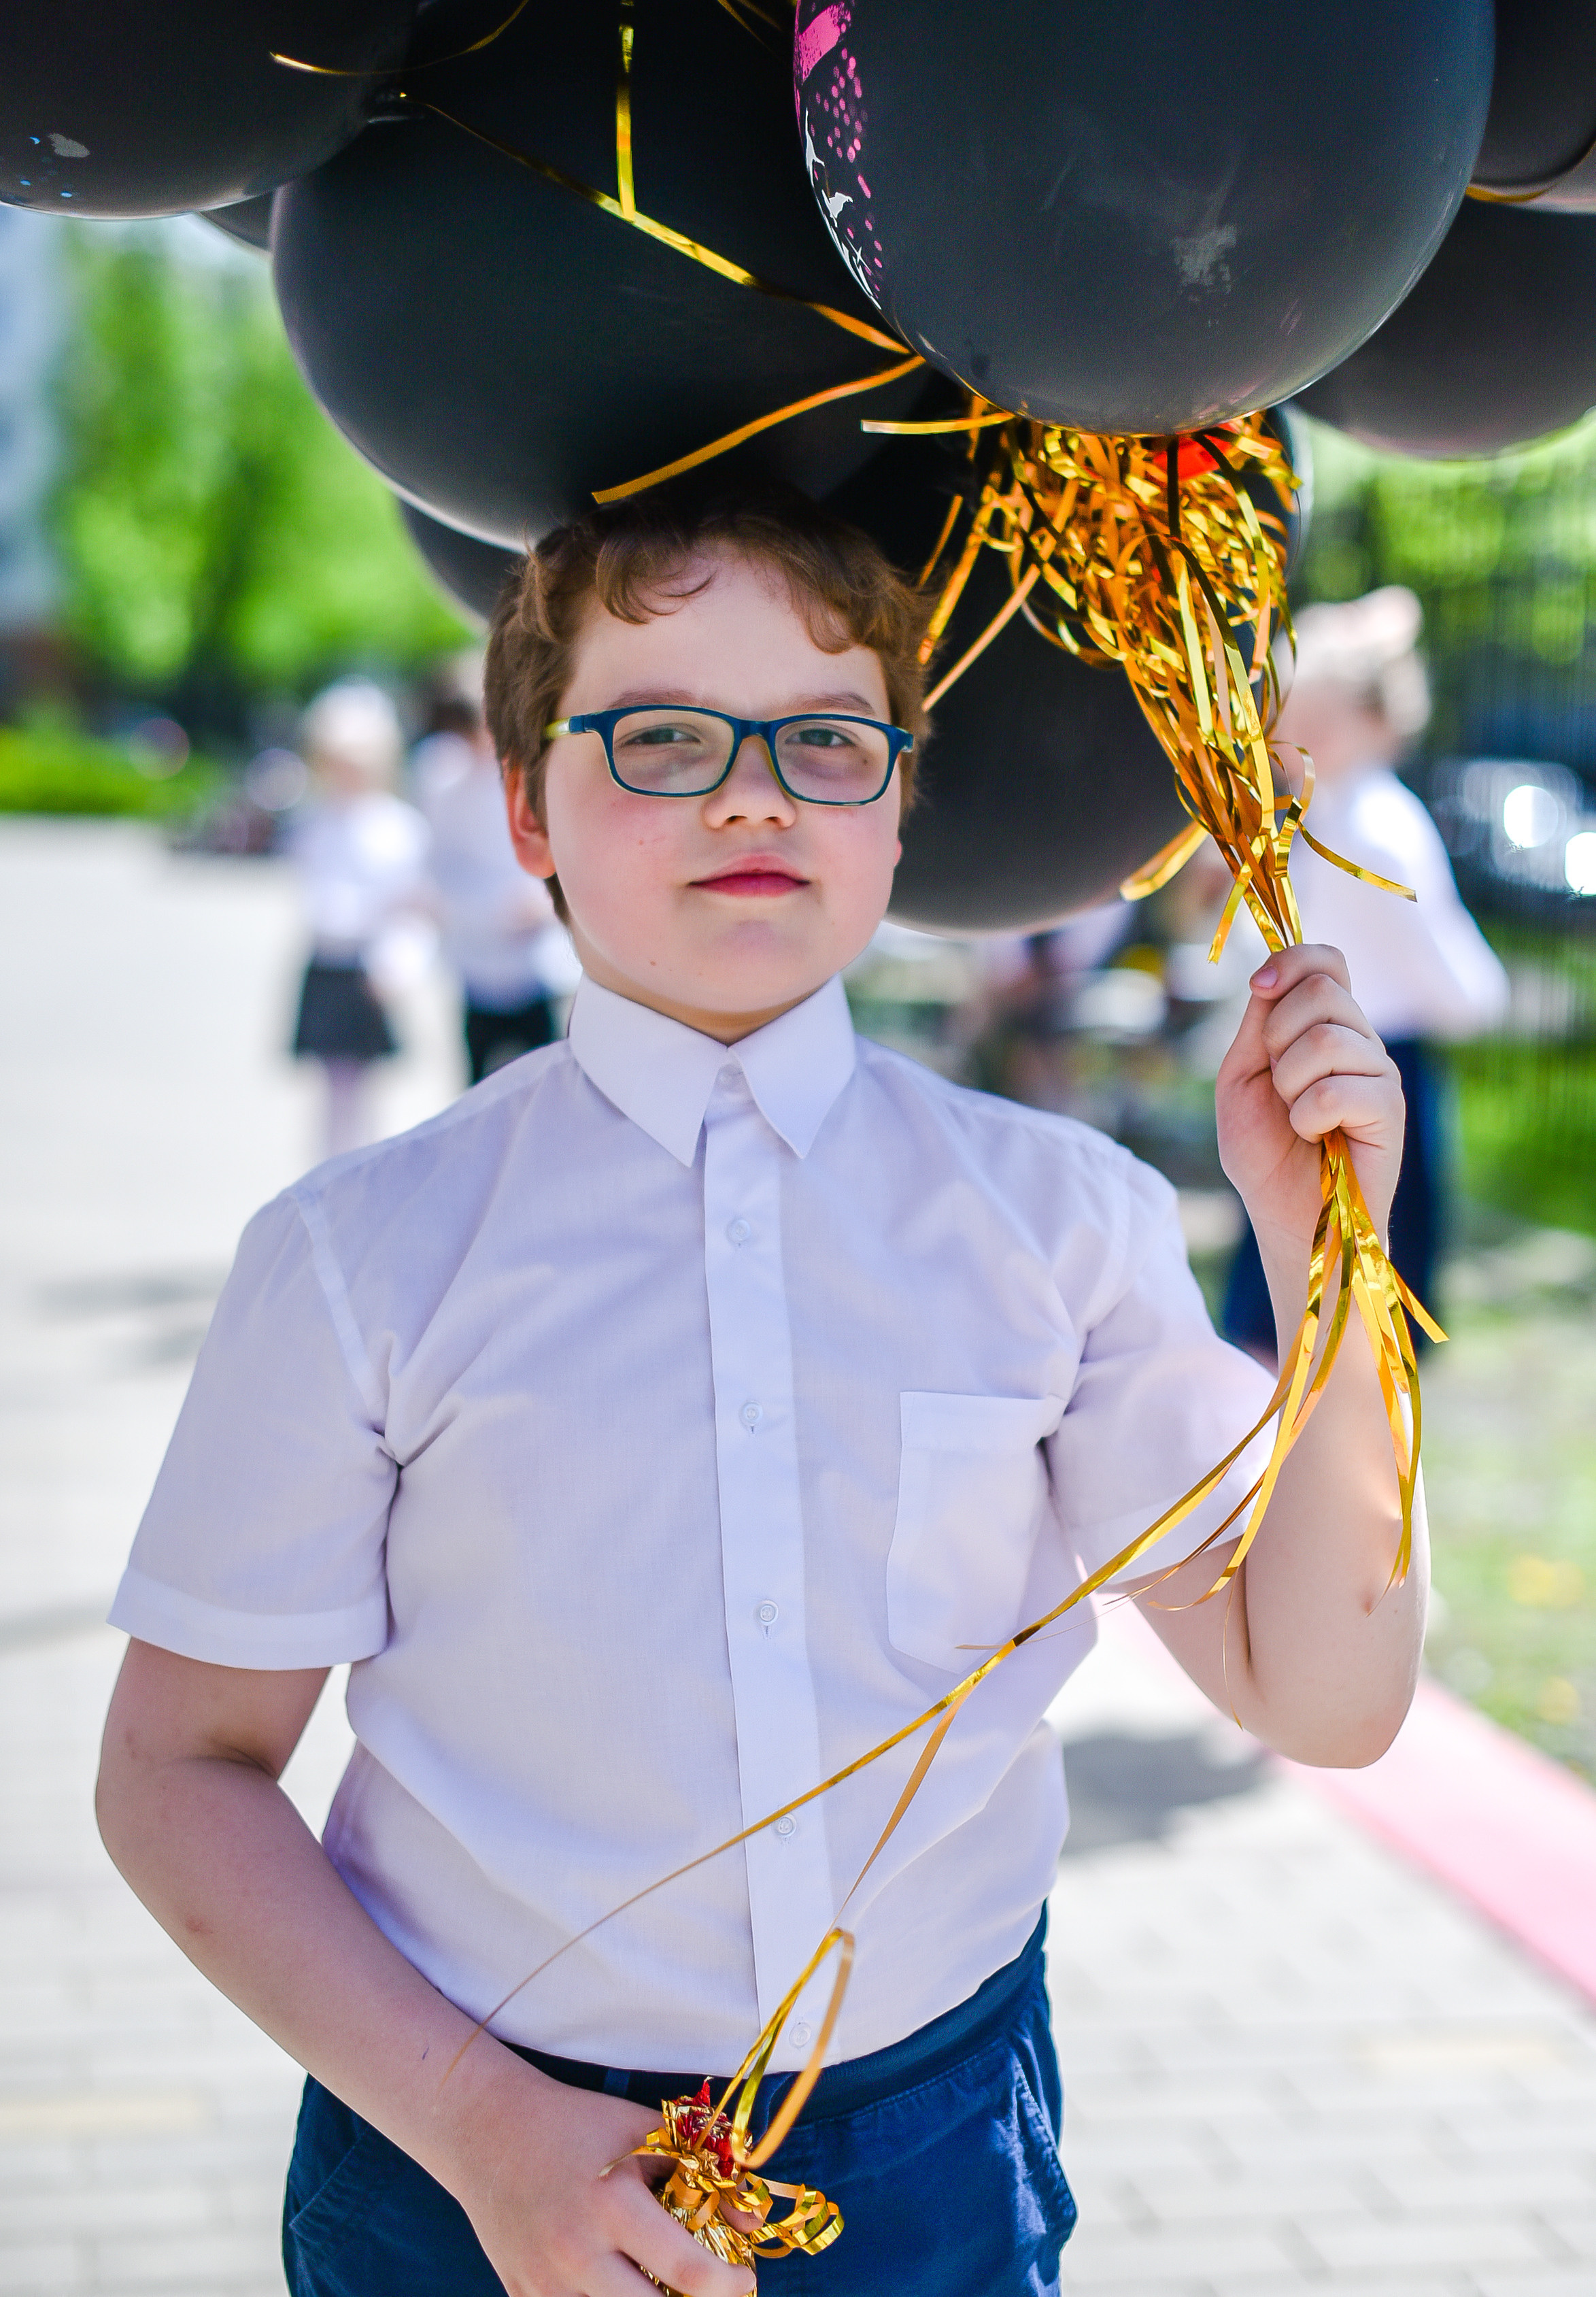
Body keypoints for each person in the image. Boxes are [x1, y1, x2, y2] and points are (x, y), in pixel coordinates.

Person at [97, 482, 1425, 2297]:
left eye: (824, 740)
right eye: (659, 736)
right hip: (459, 2141)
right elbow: (179, 1764)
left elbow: (1326, 1688)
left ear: (896, 809)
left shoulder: (1056, 1222)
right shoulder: (362, 1252)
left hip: (933, 2140)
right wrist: (482, 2121)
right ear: (521, 805)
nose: (751, 791)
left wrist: (1318, 1252)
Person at [1222, 586, 1508, 1360]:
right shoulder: (1368, 824)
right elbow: (1463, 987)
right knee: (1350, 1305)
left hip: (1332, 1067)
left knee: (1298, 1291)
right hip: (1373, 1070)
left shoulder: (1342, 823)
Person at [288, 681, 432, 1161]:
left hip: (369, 968)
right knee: (331, 1085)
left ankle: (362, 1167)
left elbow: (410, 908)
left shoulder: (397, 827)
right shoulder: (313, 821)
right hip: (328, 960)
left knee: (364, 1088)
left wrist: (399, 965)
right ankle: (330, 1167)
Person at [417, 660, 580, 1085]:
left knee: (547, 1085)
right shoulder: (445, 788)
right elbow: (439, 870)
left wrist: (545, 903)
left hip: (537, 965)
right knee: (480, 1088)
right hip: (478, 961)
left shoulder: (543, 778)